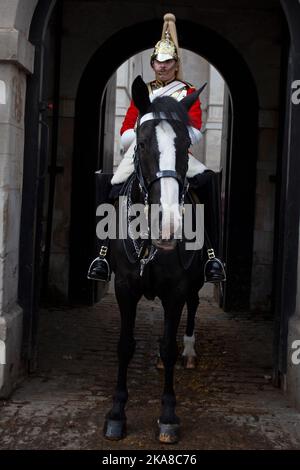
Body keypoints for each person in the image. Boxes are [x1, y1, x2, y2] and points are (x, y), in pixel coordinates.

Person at [88, 13, 226, 284]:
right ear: (152, 64)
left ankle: (212, 256)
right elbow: (127, 129)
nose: (163, 67)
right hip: (142, 151)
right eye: (158, 62)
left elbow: (196, 130)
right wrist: (141, 136)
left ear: (176, 64)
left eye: (168, 62)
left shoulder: (188, 91)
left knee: (207, 181)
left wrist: (171, 134)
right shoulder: (144, 92)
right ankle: (102, 254)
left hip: (177, 153)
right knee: (111, 183)